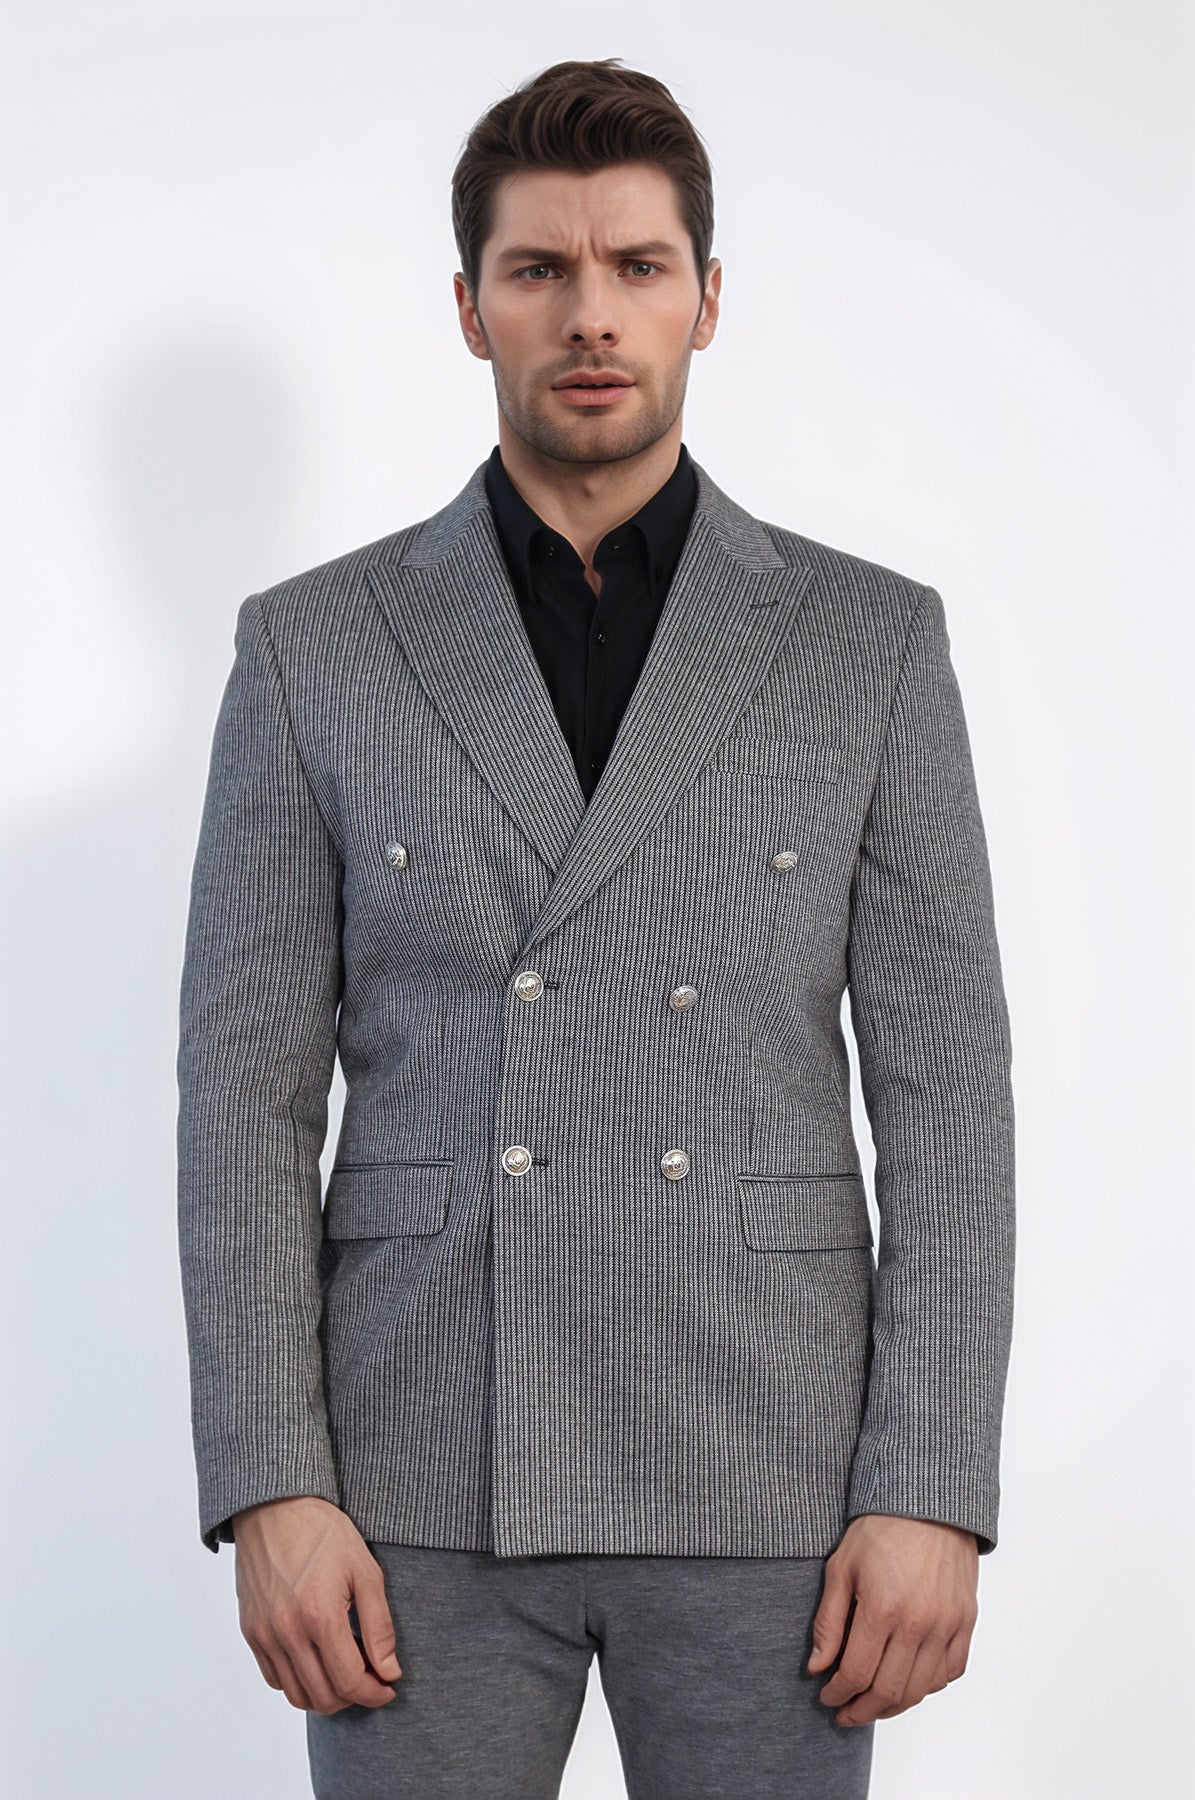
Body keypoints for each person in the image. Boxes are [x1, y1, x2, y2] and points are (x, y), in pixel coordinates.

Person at [176, 56, 1015, 1800]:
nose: (591, 315)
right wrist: (271, 1484)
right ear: (467, 307)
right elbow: (242, 1098)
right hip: (414, 1478)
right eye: (539, 269)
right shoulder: (315, 645)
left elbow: (948, 1098)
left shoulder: (867, 642)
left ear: (707, 298)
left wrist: (930, 1486)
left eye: (637, 265)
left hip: (772, 1470)